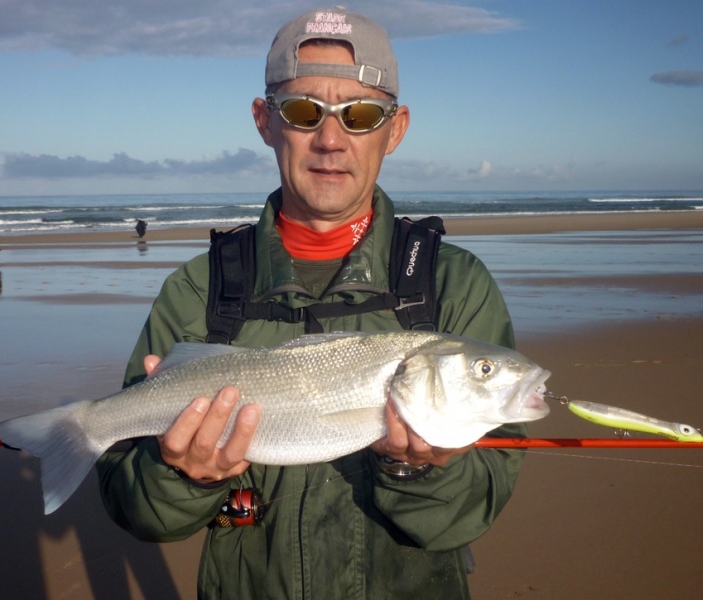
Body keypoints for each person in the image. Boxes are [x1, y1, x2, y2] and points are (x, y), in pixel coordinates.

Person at [97, 8, 525, 599]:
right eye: (303, 112)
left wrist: (414, 471)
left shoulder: (454, 286)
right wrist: (180, 475)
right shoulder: (198, 291)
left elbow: (466, 515)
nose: (330, 140)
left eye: (360, 114)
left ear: (394, 129)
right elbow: (139, 511)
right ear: (264, 122)